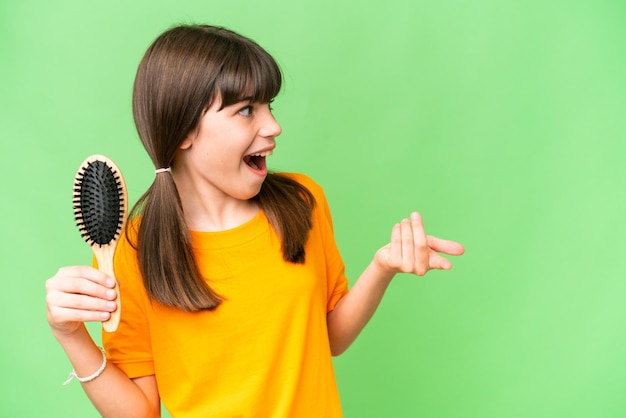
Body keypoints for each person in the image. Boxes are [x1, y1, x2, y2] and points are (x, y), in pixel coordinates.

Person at [45, 24, 465, 417]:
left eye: (269, 106)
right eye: (247, 110)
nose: (273, 126)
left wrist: (382, 268)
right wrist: (71, 336)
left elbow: (330, 337)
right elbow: (140, 410)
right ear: (185, 131)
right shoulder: (135, 249)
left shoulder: (303, 203)